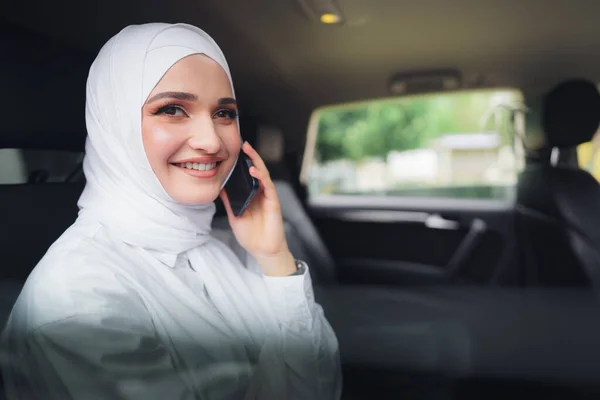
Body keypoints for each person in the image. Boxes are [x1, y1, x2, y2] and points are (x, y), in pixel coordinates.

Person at [1, 23, 341, 399]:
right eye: (173, 109)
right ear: (116, 126)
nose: (211, 140)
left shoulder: (226, 247)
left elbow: (323, 384)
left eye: (224, 114)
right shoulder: (80, 298)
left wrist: (276, 259)